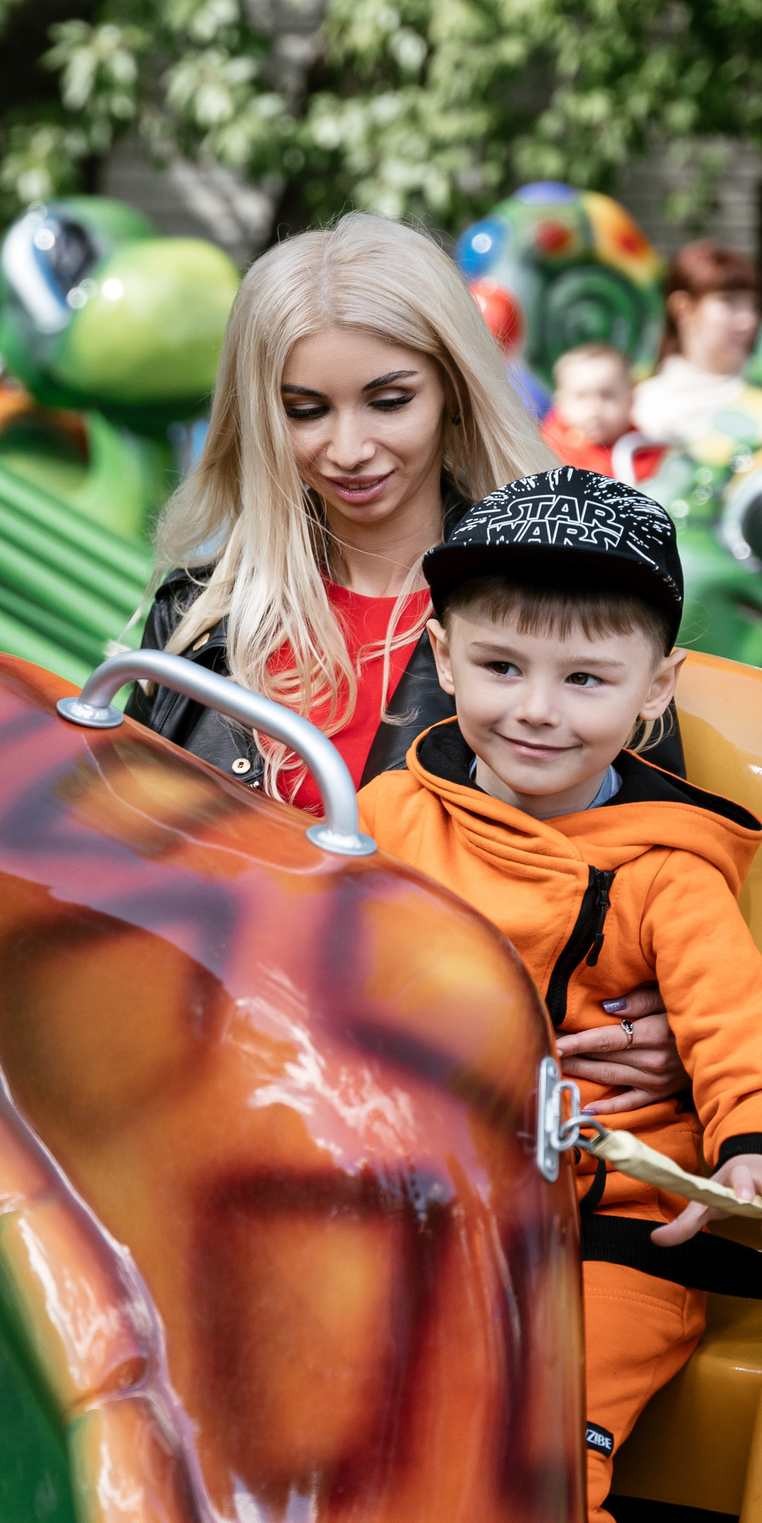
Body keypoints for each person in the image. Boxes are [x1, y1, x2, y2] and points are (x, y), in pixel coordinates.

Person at [358, 466, 762, 1523]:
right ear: (440, 656)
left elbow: (730, 1034)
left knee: (541, 1462)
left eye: (584, 680)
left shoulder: (667, 870)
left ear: (653, 687)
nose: (535, 710)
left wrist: (758, 1149)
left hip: (615, 1229)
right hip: (431, 1201)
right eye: (501, 667)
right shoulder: (388, 817)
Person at [126, 212, 691, 1127]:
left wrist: (668, 1024)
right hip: (198, 1096)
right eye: (305, 409)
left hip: (452, 1112)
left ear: (454, 392)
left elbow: (663, 878)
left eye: (389, 400)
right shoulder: (198, 621)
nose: (347, 449)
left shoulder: (574, 612)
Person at [629, 242, 762, 448]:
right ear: (684, 308)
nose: (748, 320)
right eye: (729, 301)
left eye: (751, 305)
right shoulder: (645, 409)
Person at [540, 341, 649, 481]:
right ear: (561, 404)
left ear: (630, 399)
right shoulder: (549, 450)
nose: (594, 408)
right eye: (582, 396)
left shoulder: (643, 449)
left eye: (607, 395)